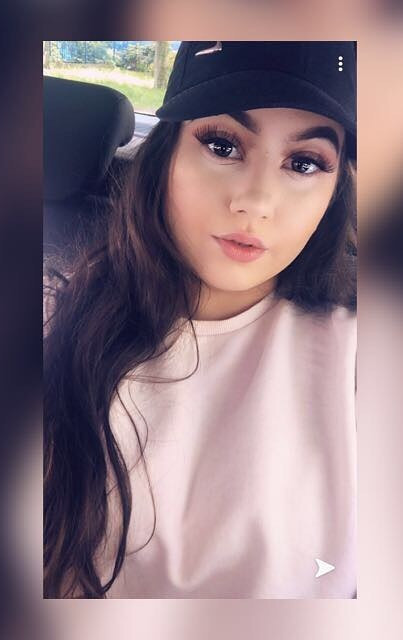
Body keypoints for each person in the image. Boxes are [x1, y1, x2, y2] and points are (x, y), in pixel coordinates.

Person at [44, 41, 357, 599]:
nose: (256, 201)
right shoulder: (50, 319)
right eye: (222, 145)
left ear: (334, 192)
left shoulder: (367, 361)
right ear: (166, 156)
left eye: (304, 163)